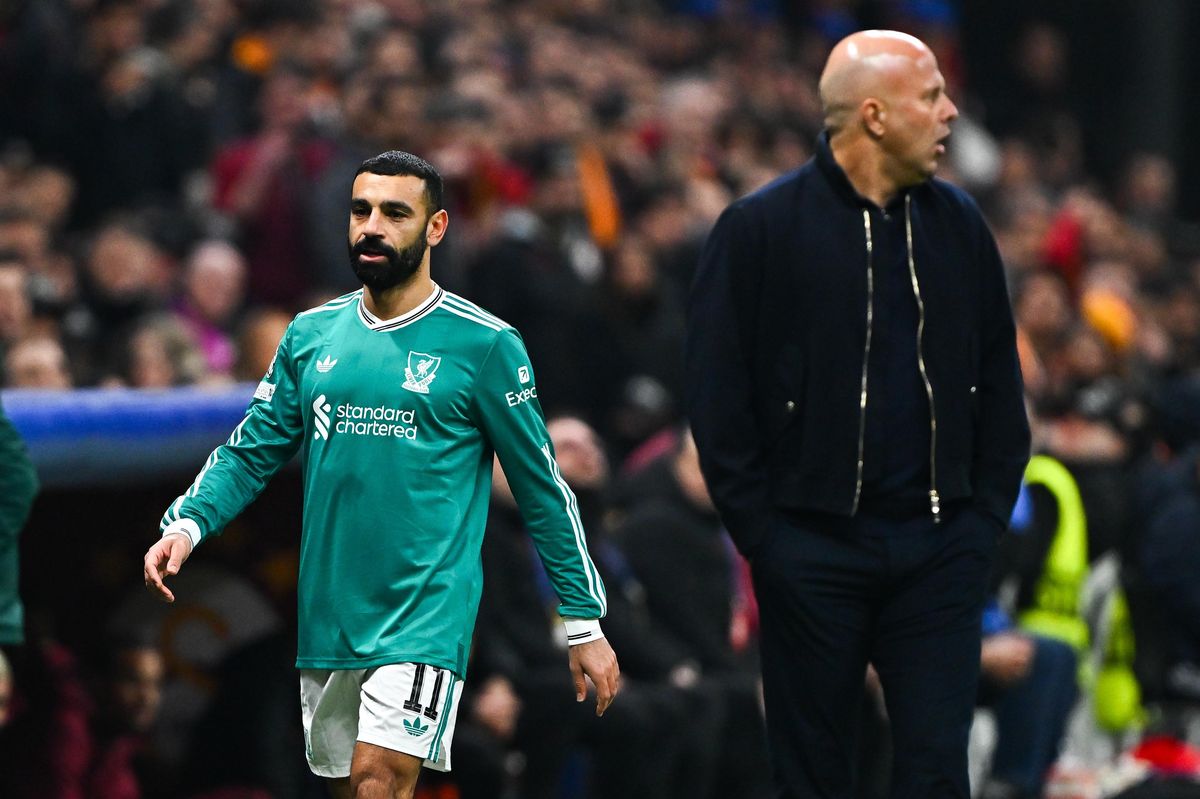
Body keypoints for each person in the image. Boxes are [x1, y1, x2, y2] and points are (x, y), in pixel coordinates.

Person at [142, 151, 619, 799]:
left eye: (395, 213)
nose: (372, 226)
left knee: (378, 778)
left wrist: (584, 621)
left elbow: (542, 488)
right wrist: (188, 524)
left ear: (436, 227)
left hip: (425, 612)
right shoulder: (310, 335)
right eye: (361, 210)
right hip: (330, 613)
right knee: (350, 787)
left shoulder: (485, 345)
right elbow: (250, 450)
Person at [685, 30, 1030, 799]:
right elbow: (716, 396)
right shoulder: (759, 228)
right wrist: (767, 537)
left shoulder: (961, 225)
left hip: (939, 549)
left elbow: (1000, 389)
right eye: (931, 96)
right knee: (812, 779)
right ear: (874, 115)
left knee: (937, 776)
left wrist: (978, 528)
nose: (950, 113)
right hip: (810, 548)